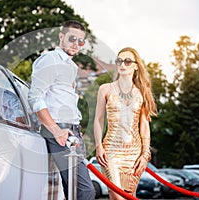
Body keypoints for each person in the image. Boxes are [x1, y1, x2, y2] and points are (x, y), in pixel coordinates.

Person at [28, 20, 95, 200]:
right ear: (61, 36)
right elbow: (35, 97)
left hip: (72, 131)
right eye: (72, 38)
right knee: (84, 191)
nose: (76, 44)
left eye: (81, 41)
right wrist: (56, 130)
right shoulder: (50, 60)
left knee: (72, 190)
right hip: (60, 131)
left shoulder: (71, 67)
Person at [93, 47, 157, 199]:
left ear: (136, 66)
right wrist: (98, 145)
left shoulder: (142, 91)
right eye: (119, 61)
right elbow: (98, 119)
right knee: (117, 196)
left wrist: (145, 154)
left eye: (127, 61)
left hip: (134, 154)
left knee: (130, 195)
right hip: (111, 151)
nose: (122, 64)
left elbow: (144, 125)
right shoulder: (105, 89)